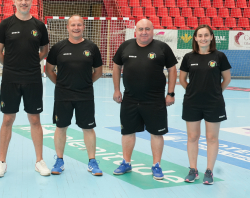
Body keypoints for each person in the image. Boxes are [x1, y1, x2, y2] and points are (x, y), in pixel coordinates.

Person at [0, 0, 50, 177]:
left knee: (35, 119)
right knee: (8, 119)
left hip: (33, 79)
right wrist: (11, 65)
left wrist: (33, 63)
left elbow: (44, 50)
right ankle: (1, 161)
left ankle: (39, 160)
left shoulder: (39, 25)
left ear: (31, 1)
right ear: (14, 1)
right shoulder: (6, 24)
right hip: (10, 79)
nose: (24, 2)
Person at [112, 18, 177, 180]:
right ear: (135, 30)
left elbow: (172, 69)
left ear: (153, 30)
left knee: (156, 133)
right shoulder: (126, 46)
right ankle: (126, 162)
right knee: (127, 132)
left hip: (155, 100)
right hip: (130, 99)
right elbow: (116, 66)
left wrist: (171, 93)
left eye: (147, 29)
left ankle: (156, 165)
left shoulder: (162, 48)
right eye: (140, 29)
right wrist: (116, 89)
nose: (144, 32)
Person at [45, 15, 103, 176]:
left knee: (88, 128)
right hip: (63, 95)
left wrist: (86, 83)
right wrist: (60, 83)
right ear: (67, 27)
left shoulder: (91, 47)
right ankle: (59, 160)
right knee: (61, 126)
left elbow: (98, 71)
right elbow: (49, 70)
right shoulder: (58, 47)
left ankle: (92, 162)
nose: (76, 27)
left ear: (83, 27)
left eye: (79, 25)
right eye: (73, 25)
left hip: (85, 95)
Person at [179, 25, 231, 185]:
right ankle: (193, 170)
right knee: (192, 137)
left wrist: (215, 92)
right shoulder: (188, 57)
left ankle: (209, 171)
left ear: (211, 37)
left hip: (213, 103)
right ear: (195, 38)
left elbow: (227, 79)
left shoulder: (220, 56)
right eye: (200, 35)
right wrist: (193, 92)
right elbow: (182, 79)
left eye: (206, 35)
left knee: (212, 138)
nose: (203, 38)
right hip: (192, 103)